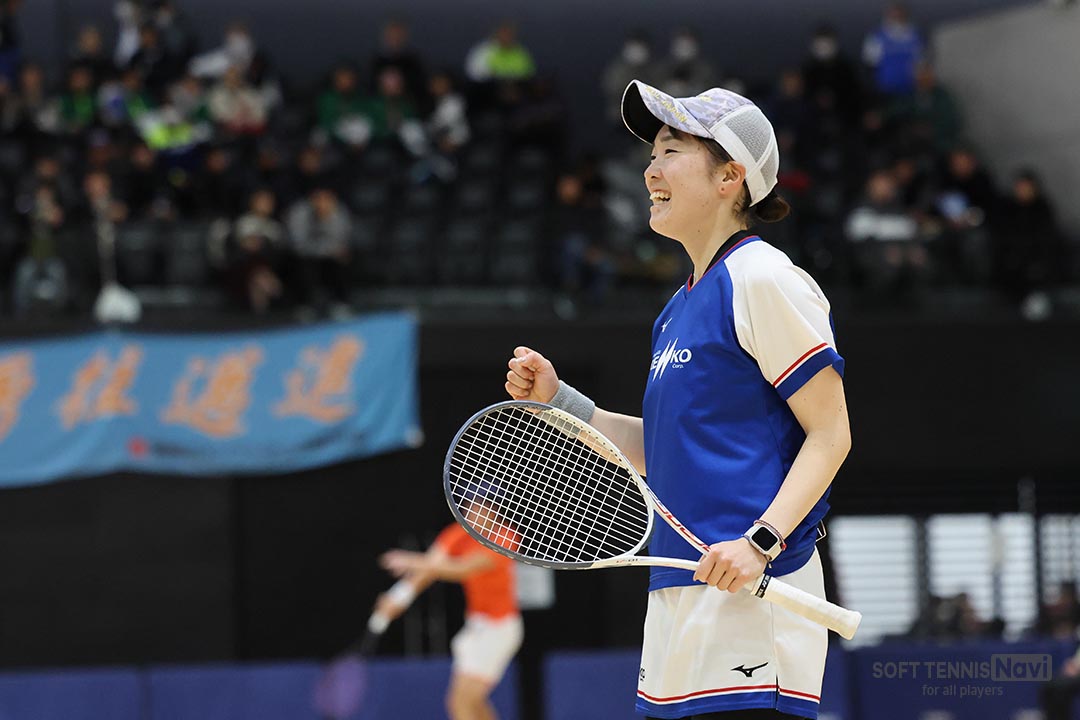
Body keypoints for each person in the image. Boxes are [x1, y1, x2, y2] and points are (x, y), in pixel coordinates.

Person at [504, 80, 851, 719]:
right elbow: (663, 451)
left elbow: (831, 434)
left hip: (753, 588)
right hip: (681, 586)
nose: (651, 169)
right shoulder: (676, 309)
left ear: (730, 177)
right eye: (652, 154)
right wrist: (561, 401)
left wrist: (761, 542)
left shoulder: (763, 277)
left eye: (671, 150)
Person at [372, 503, 522, 720]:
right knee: (472, 702)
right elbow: (430, 568)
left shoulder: (504, 537)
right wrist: (399, 597)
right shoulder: (458, 532)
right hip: (475, 627)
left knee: (461, 702)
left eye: (480, 508)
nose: (471, 514)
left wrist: (411, 560)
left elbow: (463, 569)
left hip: (499, 628)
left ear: (493, 511)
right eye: (469, 508)